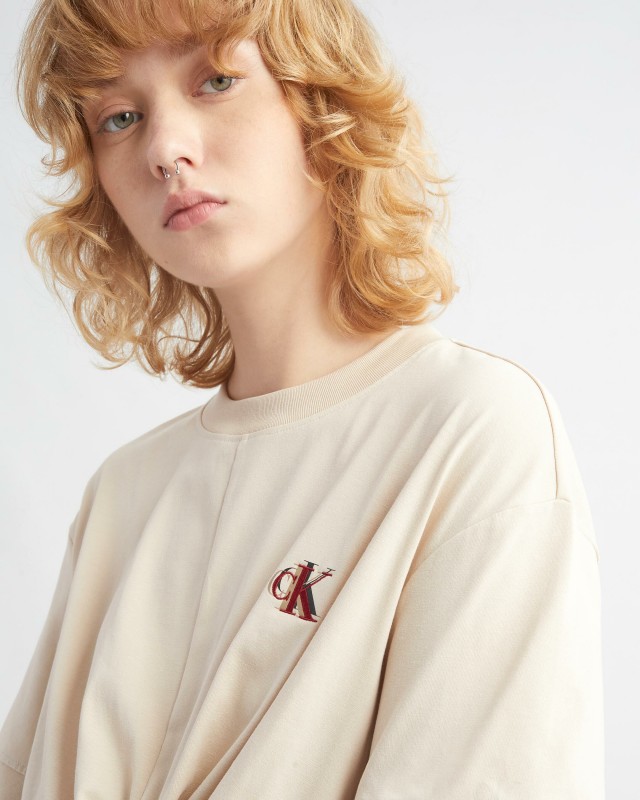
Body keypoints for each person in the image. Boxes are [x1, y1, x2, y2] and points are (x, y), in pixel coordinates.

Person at [0, 0, 604, 797]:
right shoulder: (123, 494)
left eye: (216, 79)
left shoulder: (473, 434)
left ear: (322, 96)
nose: (165, 151)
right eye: (119, 118)